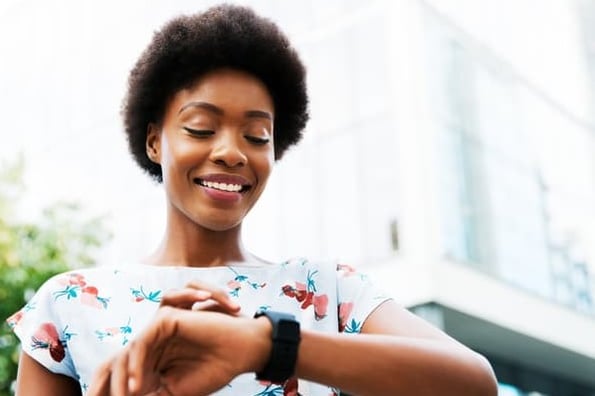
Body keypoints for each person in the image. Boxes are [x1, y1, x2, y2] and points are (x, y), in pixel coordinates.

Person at [7, 4, 498, 396]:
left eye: (257, 136)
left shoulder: (325, 289)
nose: (231, 152)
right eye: (201, 128)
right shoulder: (68, 305)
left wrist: (265, 344)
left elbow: (473, 383)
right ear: (155, 141)